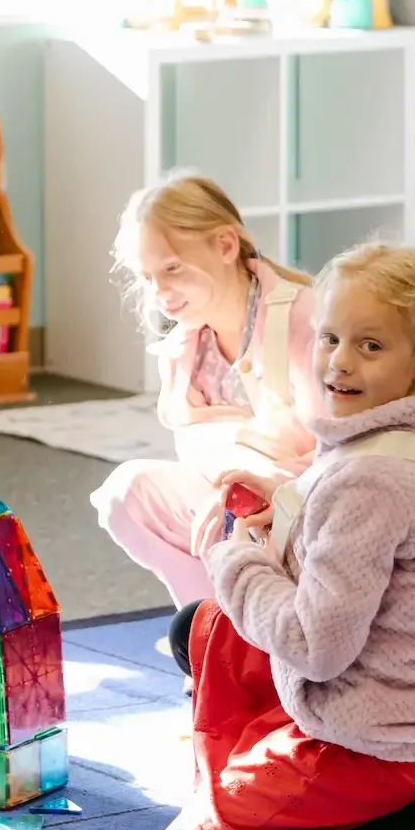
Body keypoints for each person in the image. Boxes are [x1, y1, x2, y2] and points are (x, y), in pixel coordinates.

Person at [146, 240, 415, 830]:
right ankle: (399, 801)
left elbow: (315, 644)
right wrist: (283, 499)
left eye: (370, 346)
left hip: (377, 740)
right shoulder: (414, 426)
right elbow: (351, 535)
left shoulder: (374, 478)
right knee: (198, 630)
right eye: (330, 337)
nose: (340, 361)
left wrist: (232, 556)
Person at [91, 171, 320, 607]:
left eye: (172, 269)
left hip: (307, 506)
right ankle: (204, 628)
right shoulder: (186, 347)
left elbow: (345, 453)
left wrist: (262, 483)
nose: (160, 292)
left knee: (236, 512)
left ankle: (266, 630)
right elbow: (199, 451)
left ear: (226, 245)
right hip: (236, 506)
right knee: (125, 494)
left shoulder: (304, 319)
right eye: (147, 277)